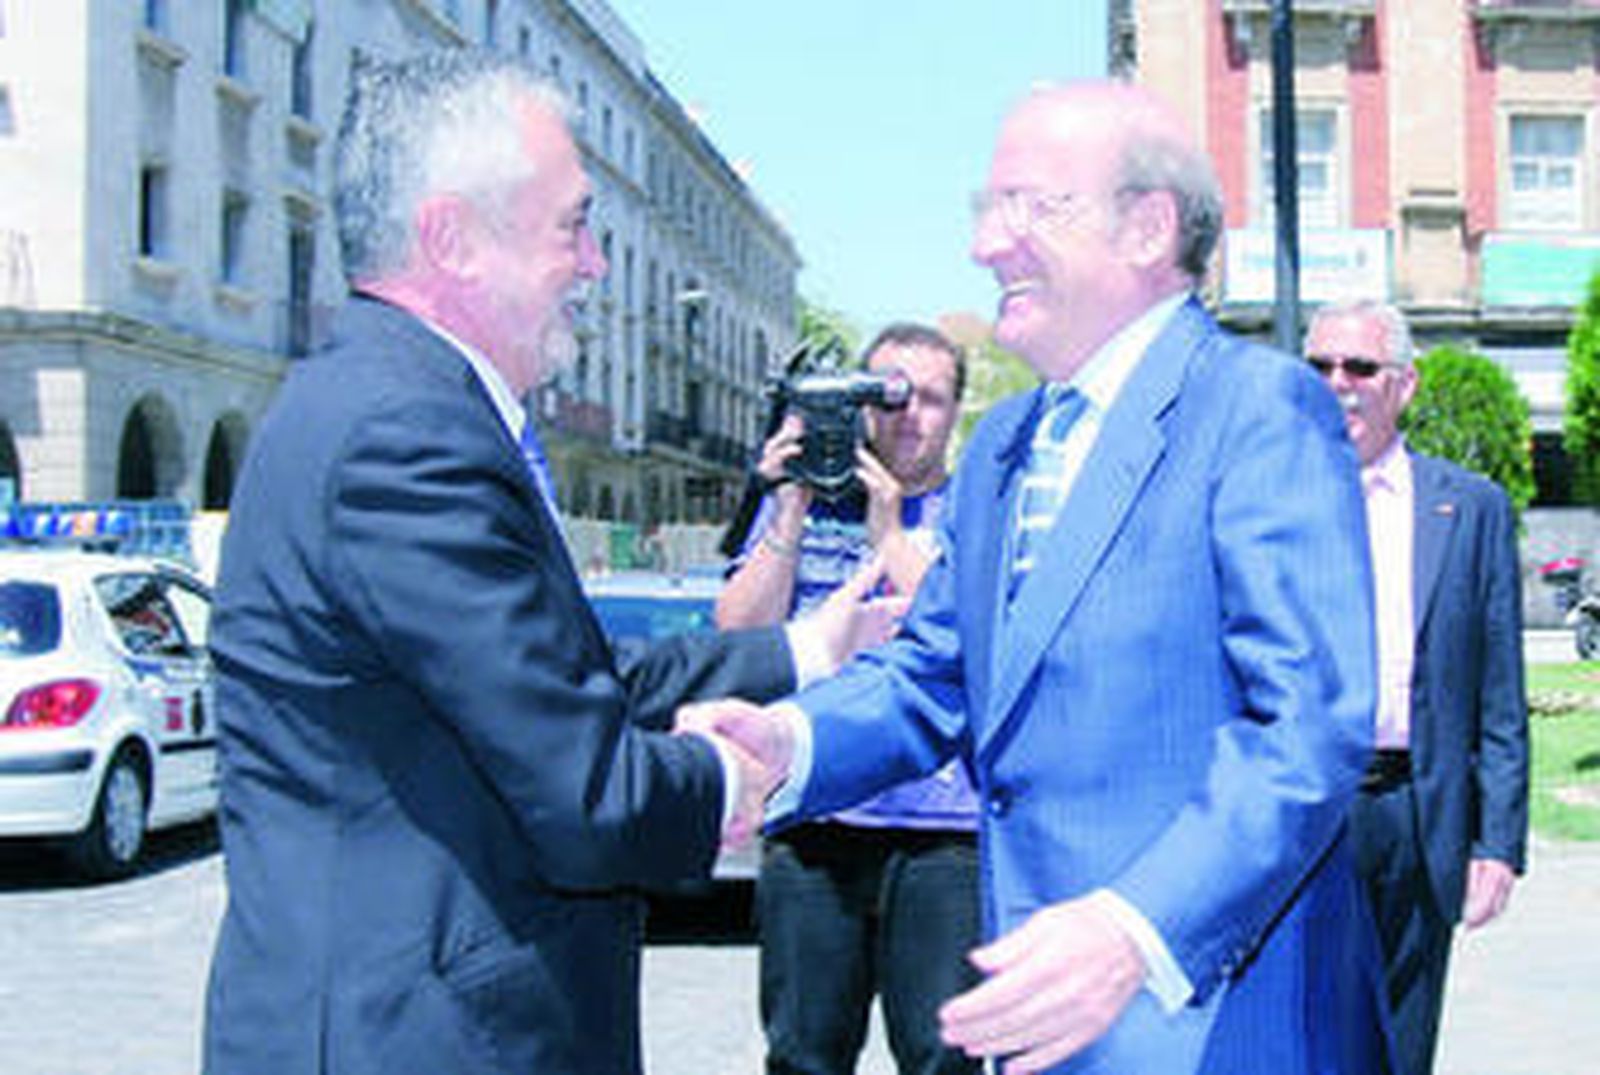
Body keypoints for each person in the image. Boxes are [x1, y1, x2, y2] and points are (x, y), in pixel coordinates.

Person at [201, 51, 890, 1075]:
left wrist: (803, 650)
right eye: (571, 224)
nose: (595, 264)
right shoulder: (406, 433)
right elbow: (584, 789)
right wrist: (740, 770)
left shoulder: (393, 403)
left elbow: (563, 679)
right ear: (453, 238)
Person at [694, 81, 1394, 1074]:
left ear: (1148, 226)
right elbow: (932, 670)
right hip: (1042, 1017)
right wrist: (786, 741)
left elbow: (1307, 725)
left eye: (1029, 204)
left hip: (1210, 1020)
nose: (988, 242)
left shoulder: (1255, 409)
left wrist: (1134, 928)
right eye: (986, 209)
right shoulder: (1008, 444)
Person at [717, 323, 981, 1075]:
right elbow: (739, 632)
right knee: (803, 1053)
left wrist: (889, 528)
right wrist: (791, 507)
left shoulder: (973, 510)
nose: (909, 414)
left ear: (956, 410)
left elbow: (964, 631)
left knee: (943, 1058)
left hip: (942, 831)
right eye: (889, 393)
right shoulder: (802, 505)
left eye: (930, 398)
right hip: (816, 816)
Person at [1305, 299, 1529, 1075]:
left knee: (1400, 1042)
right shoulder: (1269, 500)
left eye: (1360, 367)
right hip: (1302, 809)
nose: (1340, 384)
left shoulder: (1469, 508)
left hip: (1415, 812)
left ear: (1405, 383)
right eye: (1321, 366)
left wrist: (1497, 842)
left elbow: (1499, 692)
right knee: (1301, 1037)